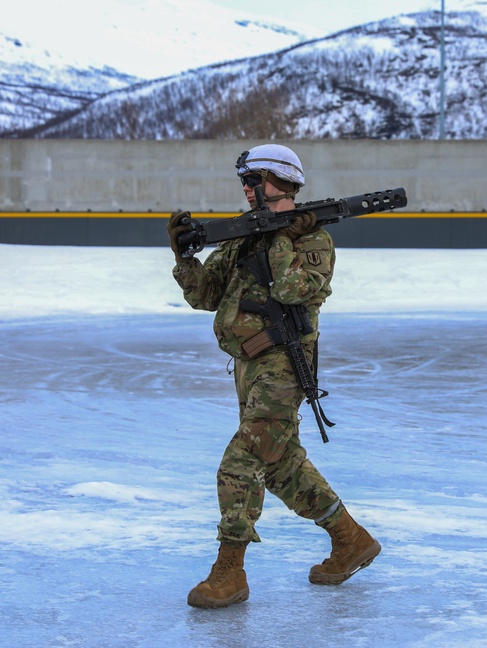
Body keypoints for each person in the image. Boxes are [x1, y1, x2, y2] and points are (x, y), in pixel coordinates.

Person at [167, 144, 381, 609]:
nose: (246, 189)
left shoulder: (313, 241)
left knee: (242, 460)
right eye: (243, 181)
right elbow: (205, 295)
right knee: (281, 466)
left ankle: (231, 571)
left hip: (282, 368)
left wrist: (282, 237)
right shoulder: (244, 236)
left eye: (254, 180)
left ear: (280, 182)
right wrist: (185, 257)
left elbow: (291, 289)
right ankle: (350, 539)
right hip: (248, 366)